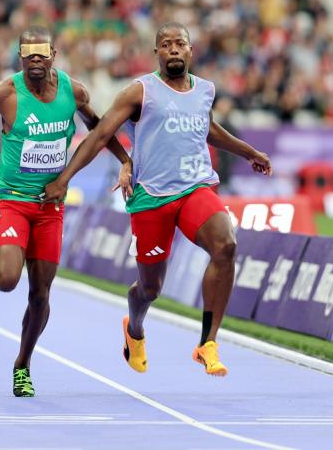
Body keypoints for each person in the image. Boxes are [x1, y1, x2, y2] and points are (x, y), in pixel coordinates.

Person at [43, 22, 272, 376]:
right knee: (150, 288)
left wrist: (248, 152)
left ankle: (207, 343)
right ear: (157, 53)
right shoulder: (139, 92)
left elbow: (207, 128)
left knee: (225, 245)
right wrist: (64, 178)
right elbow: (102, 133)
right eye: (166, 44)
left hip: (196, 186)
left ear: (191, 50)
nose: (174, 49)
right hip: (151, 196)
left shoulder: (205, 90)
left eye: (180, 43)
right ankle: (134, 328)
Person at [0, 26, 130, 396]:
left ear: (54, 55)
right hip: (12, 197)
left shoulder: (73, 92)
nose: (36, 60)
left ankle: (23, 364)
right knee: (7, 279)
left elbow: (98, 127)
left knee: (40, 294)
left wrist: (125, 159)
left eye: (43, 53)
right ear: (20, 58)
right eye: (29, 54)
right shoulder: (3, 95)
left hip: (50, 206)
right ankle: (5, 248)